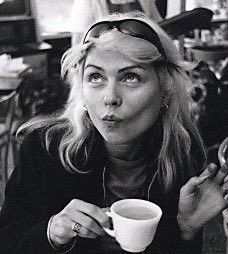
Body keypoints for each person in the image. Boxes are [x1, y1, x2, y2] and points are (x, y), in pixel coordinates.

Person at [0, 12, 228, 254]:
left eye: (131, 77)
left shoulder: (183, 152)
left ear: (166, 91)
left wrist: (186, 229)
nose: (110, 98)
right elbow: (8, 241)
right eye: (95, 77)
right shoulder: (45, 149)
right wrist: (52, 233)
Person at [70, 0, 163, 44]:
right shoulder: (86, 2)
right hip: (107, 65)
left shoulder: (146, 1)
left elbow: (159, 32)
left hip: (145, 62)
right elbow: (78, 46)